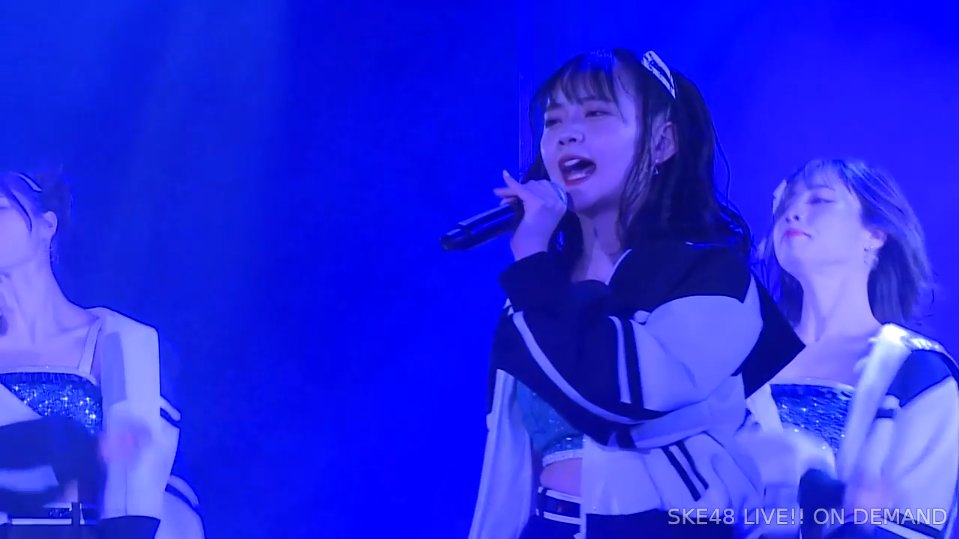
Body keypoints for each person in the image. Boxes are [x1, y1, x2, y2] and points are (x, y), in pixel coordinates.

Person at [467, 48, 803, 539]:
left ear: (662, 142)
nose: (567, 133)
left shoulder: (710, 276)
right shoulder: (535, 293)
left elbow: (625, 395)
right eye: (554, 120)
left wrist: (533, 265)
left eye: (596, 113)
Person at [741, 159, 959, 538]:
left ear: (874, 234)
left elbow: (916, 524)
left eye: (820, 200)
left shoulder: (916, 371)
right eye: (787, 202)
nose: (792, 212)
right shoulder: (735, 360)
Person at [0, 169, 205, 538]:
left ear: (47, 225)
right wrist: (82, 453)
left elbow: (151, 486)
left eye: (0, 208)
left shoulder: (123, 342)